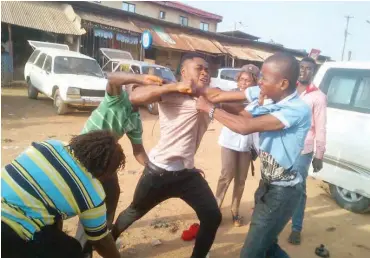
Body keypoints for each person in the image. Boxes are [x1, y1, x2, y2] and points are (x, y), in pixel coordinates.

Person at [111, 53, 252, 258]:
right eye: (199, 68)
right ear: (184, 72)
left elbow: (243, 113)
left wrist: (263, 103)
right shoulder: (171, 93)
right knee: (134, 211)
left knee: (212, 216)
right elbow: (134, 96)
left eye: (207, 70)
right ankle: (106, 241)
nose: (205, 72)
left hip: (187, 174)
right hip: (159, 172)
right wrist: (172, 86)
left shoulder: (210, 96)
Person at [196, 52, 312, 258]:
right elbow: (243, 113)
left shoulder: (296, 109)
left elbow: (245, 126)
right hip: (268, 186)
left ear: (283, 83)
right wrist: (206, 96)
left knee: (251, 253)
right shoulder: (271, 98)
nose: (260, 82)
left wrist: (210, 109)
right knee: (267, 246)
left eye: (264, 78)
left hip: (282, 193)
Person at [76, 72, 193, 253]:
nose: (142, 93)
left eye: (146, 90)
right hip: (83, 157)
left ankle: (100, 237)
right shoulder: (116, 100)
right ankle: (84, 249)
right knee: (92, 206)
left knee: (111, 195)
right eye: (136, 89)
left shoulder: (136, 120)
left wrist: (153, 167)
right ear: (129, 90)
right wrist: (140, 78)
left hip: (105, 164)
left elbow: (138, 151)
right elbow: (113, 78)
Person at [1, 130, 125, 258]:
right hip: (8, 231)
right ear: (106, 172)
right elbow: (101, 240)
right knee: (72, 251)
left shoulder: (50, 145)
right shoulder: (92, 194)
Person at [288, 57, 327, 245]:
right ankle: (274, 222)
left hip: (304, 148)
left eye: (308, 69)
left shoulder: (318, 96)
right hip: (284, 145)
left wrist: (319, 155)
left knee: (298, 188)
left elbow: (320, 127)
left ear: (313, 72)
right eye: (301, 67)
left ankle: (296, 228)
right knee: (277, 183)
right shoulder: (288, 89)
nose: (304, 71)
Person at [216, 64, 260, 227]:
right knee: (226, 175)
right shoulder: (230, 95)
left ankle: (235, 211)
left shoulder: (258, 100)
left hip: (247, 145)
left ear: (254, 82)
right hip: (229, 141)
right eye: (241, 79)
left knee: (241, 180)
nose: (243, 83)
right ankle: (215, 209)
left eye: (248, 80)